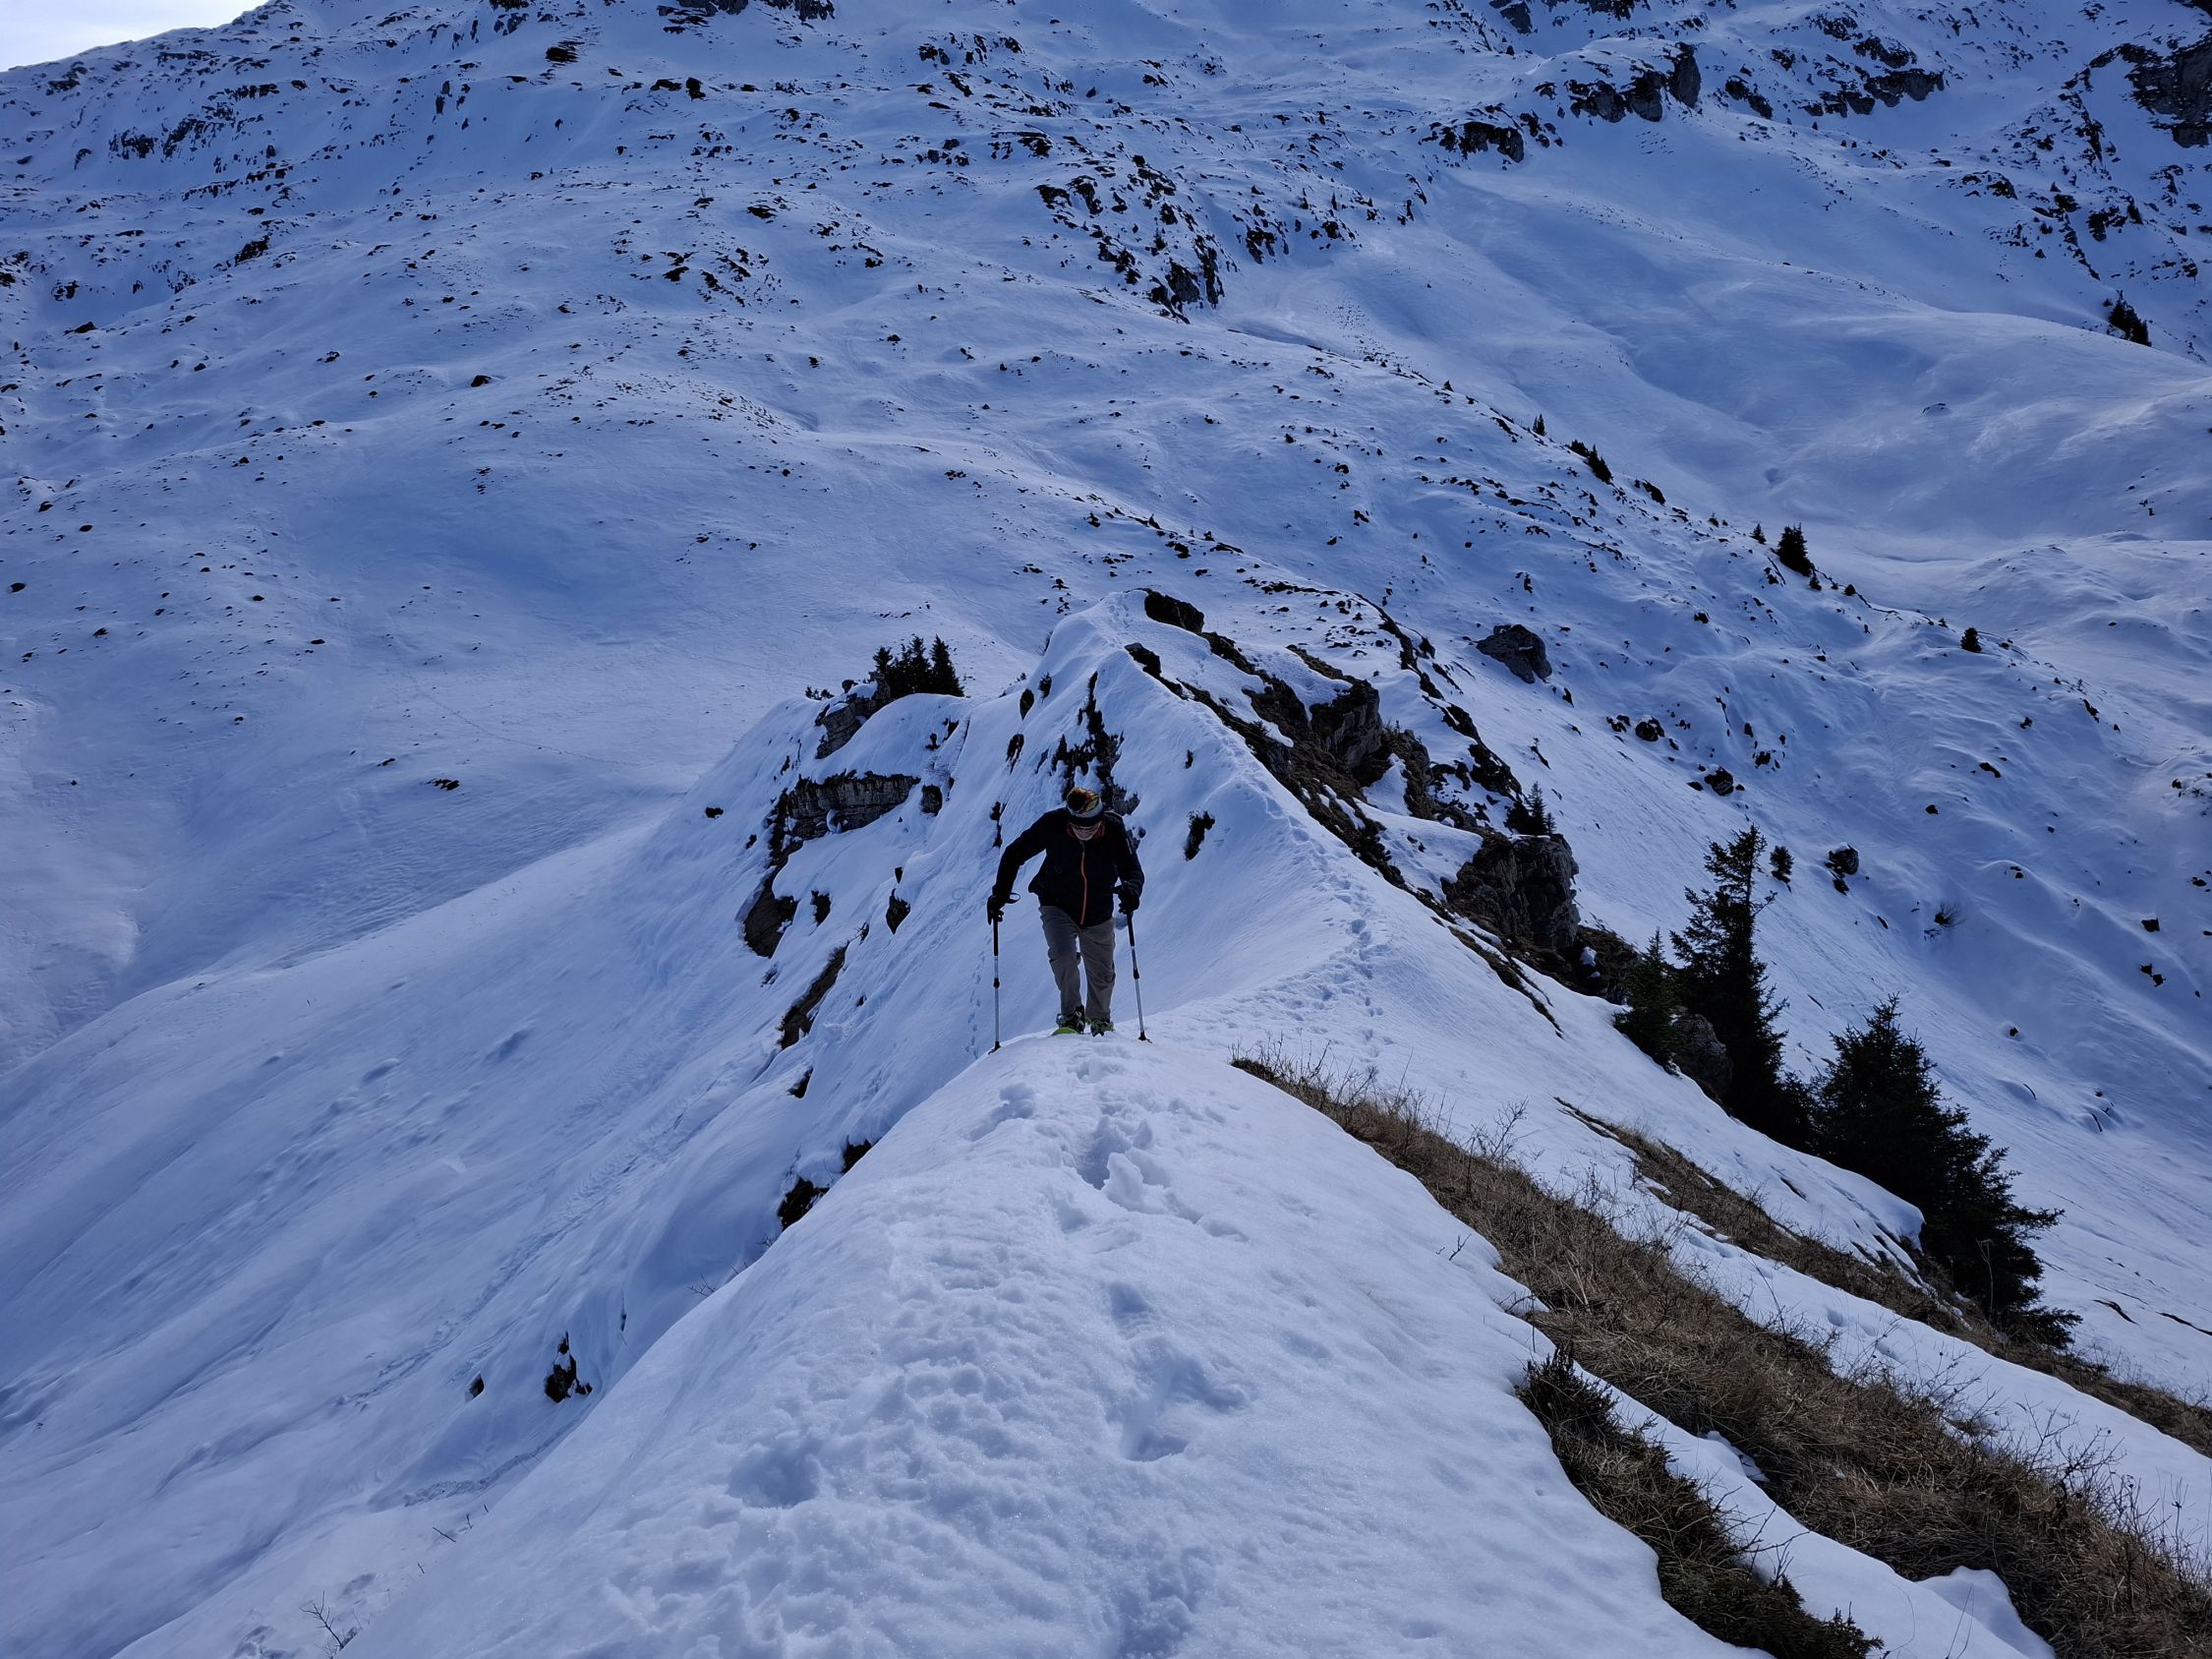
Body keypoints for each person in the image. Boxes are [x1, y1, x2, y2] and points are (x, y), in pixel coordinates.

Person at [989, 785, 1143, 1035]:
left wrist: (1132, 891)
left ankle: (1100, 1020)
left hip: (1098, 908)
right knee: (1063, 956)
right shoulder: (1053, 823)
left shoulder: (1114, 829)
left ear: (1100, 820)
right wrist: (1000, 894)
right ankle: (1072, 1016)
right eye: (1078, 827)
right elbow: (1015, 853)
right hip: (1056, 903)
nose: (1084, 832)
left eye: (1090, 828)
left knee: (1102, 973)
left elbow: (1132, 869)